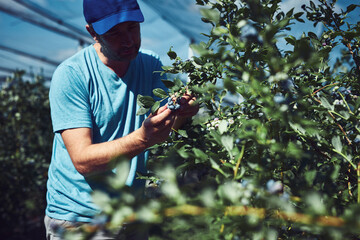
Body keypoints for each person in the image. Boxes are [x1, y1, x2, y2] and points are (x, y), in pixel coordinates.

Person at [44, 0, 199, 239]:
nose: (128, 40)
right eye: (114, 33)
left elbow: (168, 127)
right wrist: (142, 139)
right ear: (92, 32)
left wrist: (181, 112)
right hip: (82, 220)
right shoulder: (72, 75)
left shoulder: (151, 64)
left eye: (132, 27)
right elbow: (84, 161)